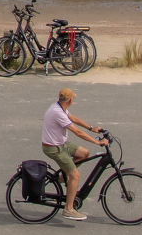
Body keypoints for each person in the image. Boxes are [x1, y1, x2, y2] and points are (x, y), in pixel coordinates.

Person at [42, 88, 104, 223]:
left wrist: (91, 128)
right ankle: (68, 209)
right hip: (53, 148)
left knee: (84, 153)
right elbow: (77, 132)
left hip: (61, 144)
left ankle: (61, 178)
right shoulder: (57, 112)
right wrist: (98, 143)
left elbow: (73, 118)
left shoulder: (59, 106)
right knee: (75, 175)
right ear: (69, 100)